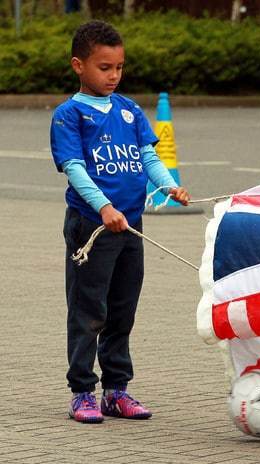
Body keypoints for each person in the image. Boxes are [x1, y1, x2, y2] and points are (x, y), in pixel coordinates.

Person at [50, 20, 191, 424]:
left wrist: (167, 185)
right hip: (92, 228)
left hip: (130, 226)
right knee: (87, 310)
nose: (113, 76)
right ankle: (82, 392)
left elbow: (148, 158)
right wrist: (104, 207)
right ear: (79, 66)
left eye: (119, 67)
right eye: (104, 67)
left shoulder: (129, 110)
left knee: (122, 310)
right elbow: (74, 168)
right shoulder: (69, 114)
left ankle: (116, 390)